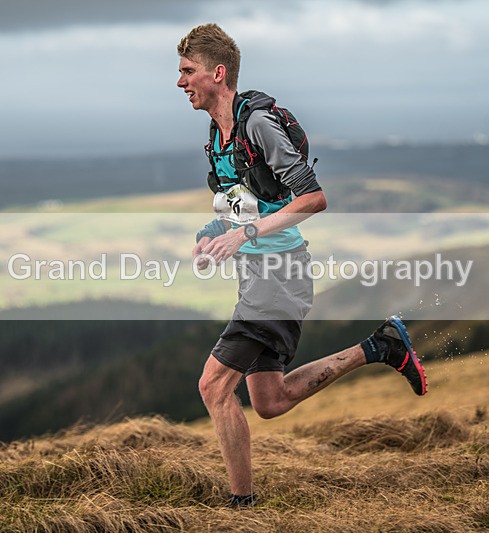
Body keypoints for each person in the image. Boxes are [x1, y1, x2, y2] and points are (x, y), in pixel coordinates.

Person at [176, 23, 427, 508]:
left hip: (279, 278)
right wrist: (214, 235)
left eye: (188, 72)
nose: (181, 82)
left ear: (218, 73)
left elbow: (314, 198)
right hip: (260, 277)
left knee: (212, 386)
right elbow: (245, 205)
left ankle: (241, 506)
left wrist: (245, 235)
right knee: (270, 402)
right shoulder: (219, 132)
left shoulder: (257, 125)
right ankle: (381, 346)